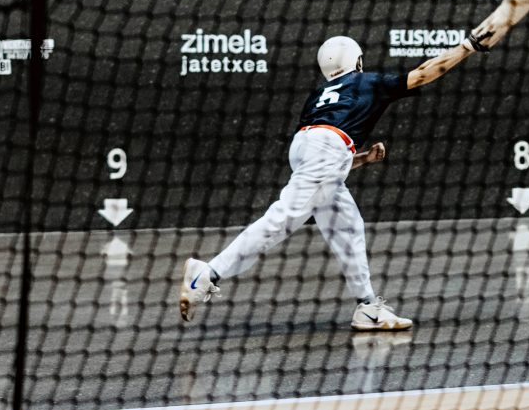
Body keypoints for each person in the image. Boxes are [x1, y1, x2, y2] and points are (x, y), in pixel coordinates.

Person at [178, 31, 491, 330]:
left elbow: (321, 161)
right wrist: (468, 46)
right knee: (282, 219)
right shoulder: (367, 82)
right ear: (357, 62)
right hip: (327, 149)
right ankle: (208, 273)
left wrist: (364, 158)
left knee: (348, 226)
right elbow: (424, 72)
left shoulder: (319, 96)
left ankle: (368, 308)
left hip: (305, 146)